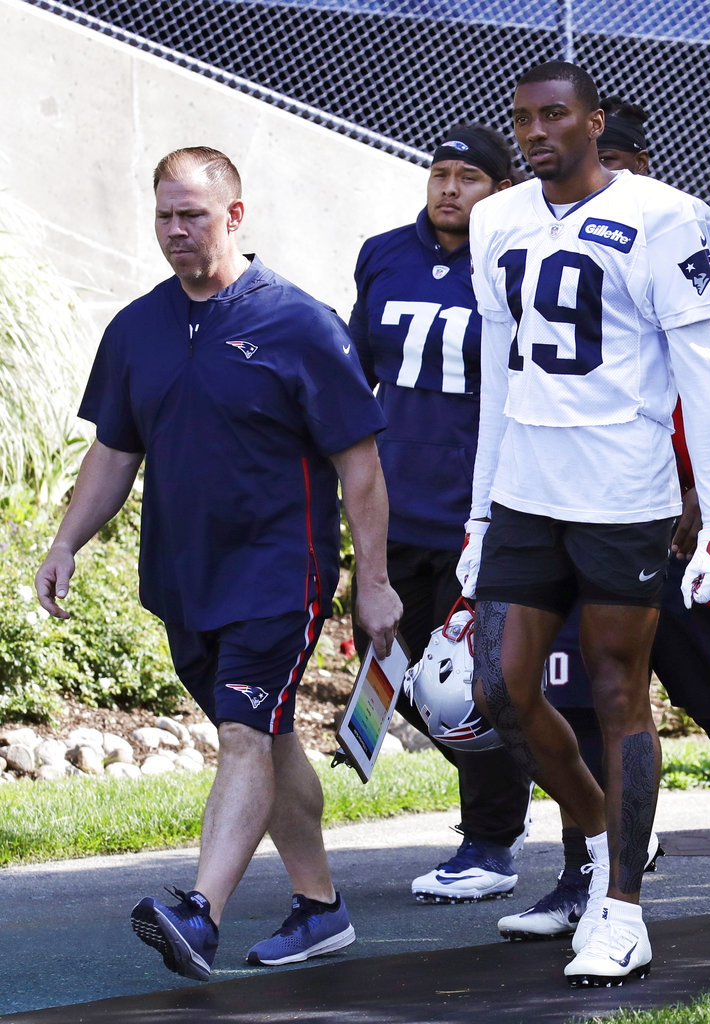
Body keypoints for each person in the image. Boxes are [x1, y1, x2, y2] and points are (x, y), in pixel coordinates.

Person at [34, 147, 401, 981]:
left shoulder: (299, 323)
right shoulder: (136, 327)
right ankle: (321, 908)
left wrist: (371, 582)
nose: (174, 230)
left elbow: (361, 467)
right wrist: (64, 542)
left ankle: (200, 913)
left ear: (235, 216)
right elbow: (113, 452)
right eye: (163, 214)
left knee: (242, 733)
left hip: (278, 576)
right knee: (265, 740)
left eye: (191, 214)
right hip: (182, 582)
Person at [496, 99, 710, 944]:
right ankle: (591, 872)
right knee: (574, 694)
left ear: (635, 161)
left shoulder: (696, 230)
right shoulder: (540, 229)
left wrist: (708, 496)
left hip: (668, 502)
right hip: (571, 498)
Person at [458, 61, 710, 986]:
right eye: (522, 119)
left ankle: (622, 909)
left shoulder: (666, 217)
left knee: (620, 693)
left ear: (592, 121)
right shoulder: (497, 218)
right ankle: (596, 829)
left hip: (625, 493)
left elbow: (707, 369)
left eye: (553, 116)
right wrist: (476, 509)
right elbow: (499, 372)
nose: (534, 132)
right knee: (501, 691)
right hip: (527, 492)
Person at [348, 125, 536, 903]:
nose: (450, 187)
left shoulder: (515, 264)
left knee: (471, 685)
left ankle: (490, 844)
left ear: (500, 188)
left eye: (469, 177)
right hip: (391, 510)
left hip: (475, 518)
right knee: (401, 677)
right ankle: (541, 782)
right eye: (440, 172)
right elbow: (353, 372)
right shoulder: (382, 253)